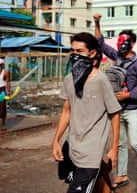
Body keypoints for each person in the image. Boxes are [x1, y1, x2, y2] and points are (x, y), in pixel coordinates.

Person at [51, 32, 121, 193]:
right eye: (72, 51)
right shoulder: (69, 79)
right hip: (74, 147)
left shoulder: (101, 80)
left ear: (92, 53)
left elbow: (115, 113)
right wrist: (56, 140)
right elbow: (66, 111)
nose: (75, 55)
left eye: (79, 51)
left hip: (92, 152)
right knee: (99, 186)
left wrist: (114, 147)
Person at [93, 15, 137, 193]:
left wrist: (128, 95)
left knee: (135, 144)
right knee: (120, 143)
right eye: (119, 41)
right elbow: (100, 44)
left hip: (133, 108)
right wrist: (97, 23)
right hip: (117, 109)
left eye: (124, 41)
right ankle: (122, 174)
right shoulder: (116, 57)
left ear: (132, 44)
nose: (120, 44)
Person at [0, 58, 11, 131]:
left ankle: (3, 124)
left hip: (2, 91)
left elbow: (8, 82)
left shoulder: (5, 72)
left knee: (2, 106)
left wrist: (8, 91)